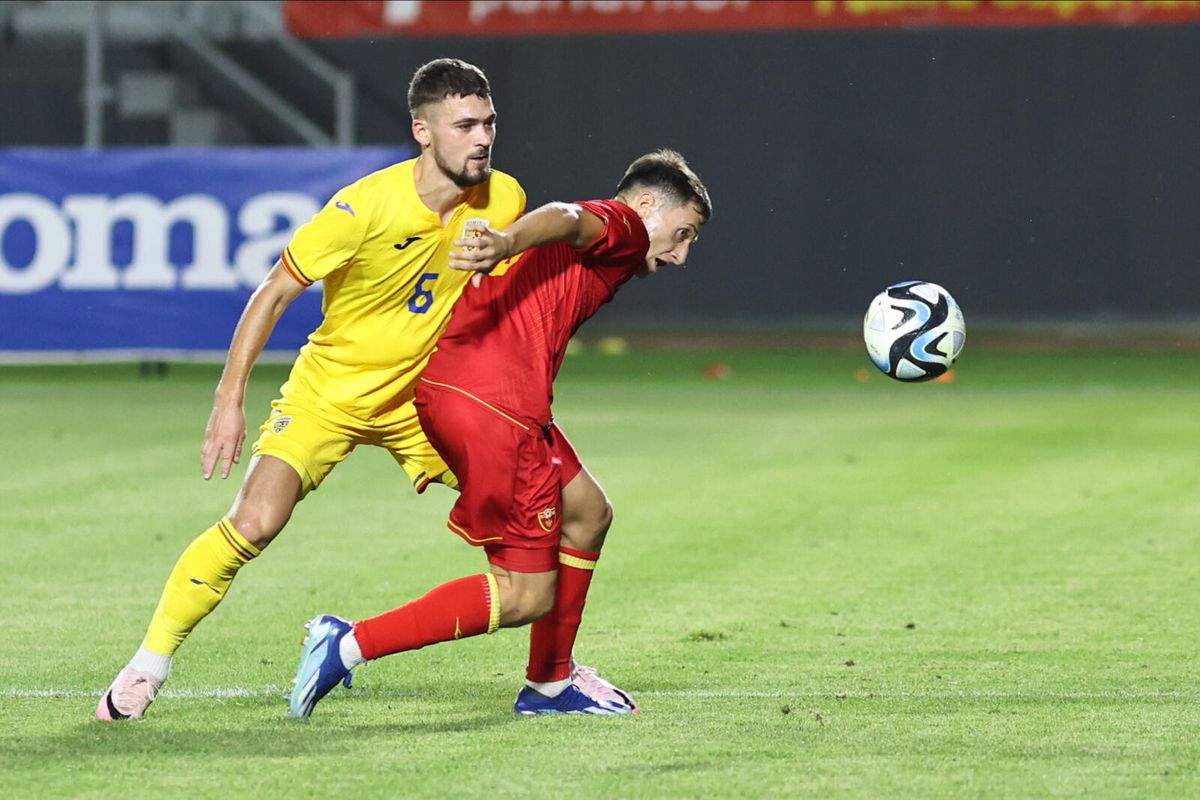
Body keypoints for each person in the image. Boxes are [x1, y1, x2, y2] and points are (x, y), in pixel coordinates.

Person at [97, 58, 529, 721]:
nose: (483, 138)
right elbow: (272, 295)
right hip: (327, 393)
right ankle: (146, 666)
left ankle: (554, 671)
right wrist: (228, 400)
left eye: (489, 123)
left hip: (422, 403)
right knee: (255, 523)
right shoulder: (362, 207)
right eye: (465, 124)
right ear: (422, 131)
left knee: (531, 519)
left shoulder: (505, 200)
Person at [288, 148, 712, 718]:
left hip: (470, 392)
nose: (683, 254)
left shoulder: (607, 246)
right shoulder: (626, 226)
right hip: (496, 408)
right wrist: (508, 241)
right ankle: (346, 644)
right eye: (682, 233)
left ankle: (550, 684)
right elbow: (566, 214)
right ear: (643, 205)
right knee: (524, 596)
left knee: (588, 512)